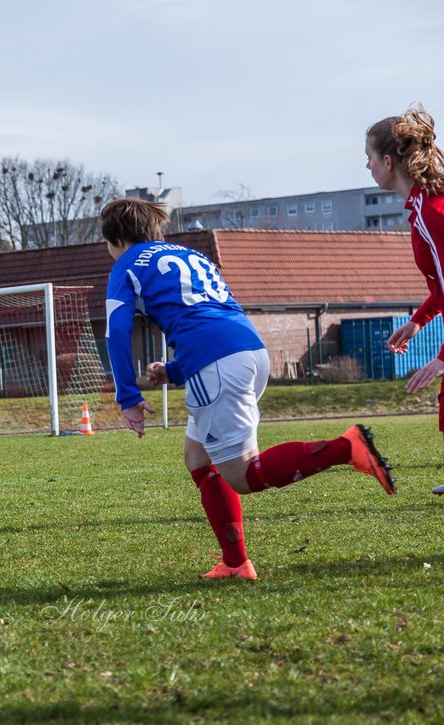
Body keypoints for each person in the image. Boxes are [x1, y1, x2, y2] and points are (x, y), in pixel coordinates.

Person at [101, 197, 396, 581]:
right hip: (249, 351)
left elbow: (116, 331)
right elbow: (209, 316)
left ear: (116, 238)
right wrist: (174, 370)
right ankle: (237, 563)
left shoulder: (127, 263)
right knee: (198, 457)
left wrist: (128, 396)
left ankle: (347, 447)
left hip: (218, 365)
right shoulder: (189, 255)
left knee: (241, 475)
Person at [367, 104, 444, 493]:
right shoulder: (421, 207)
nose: (366, 167)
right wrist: (420, 319)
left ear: (387, 160)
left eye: (368, 158)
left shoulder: (432, 211)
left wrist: (443, 357)